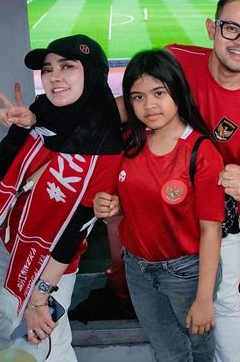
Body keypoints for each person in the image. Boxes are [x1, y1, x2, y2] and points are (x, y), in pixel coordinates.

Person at [113, 0, 240, 362]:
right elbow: (124, 108)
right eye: (231, 28)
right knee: (166, 319)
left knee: (224, 301)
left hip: (214, 219)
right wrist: (49, 123)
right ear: (211, 28)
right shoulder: (176, 59)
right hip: (162, 214)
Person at [0, 34, 123, 361]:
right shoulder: (41, 112)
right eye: (47, 70)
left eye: (67, 67)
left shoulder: (105, 142)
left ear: (92, 72)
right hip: (5, 241)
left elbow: (76, 229)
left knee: (46, 346)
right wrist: (21, 129)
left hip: (49, 262)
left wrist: (39, 296)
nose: (54, 76)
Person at [94, 50, 224, 361]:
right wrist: (114, 207)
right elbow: (133, 202)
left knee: (200, 349)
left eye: (159, 93)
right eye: (137, 97)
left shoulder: (202, 153)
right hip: (138, 268)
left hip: (187, 272)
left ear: (177, 91)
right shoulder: (129, 142)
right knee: (167, 350)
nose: (149, 105)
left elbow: (210, 232)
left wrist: (204, 298)